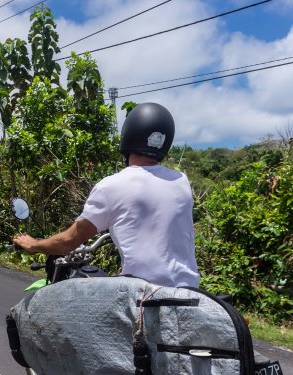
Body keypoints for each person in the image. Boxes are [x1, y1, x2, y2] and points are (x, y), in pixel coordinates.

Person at [13, 102, 199, 288]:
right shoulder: (182, 182)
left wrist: (33, 244)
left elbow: (68, 242)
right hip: (190, 292)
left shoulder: (112, 186)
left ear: (129, 135)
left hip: (144, 297)